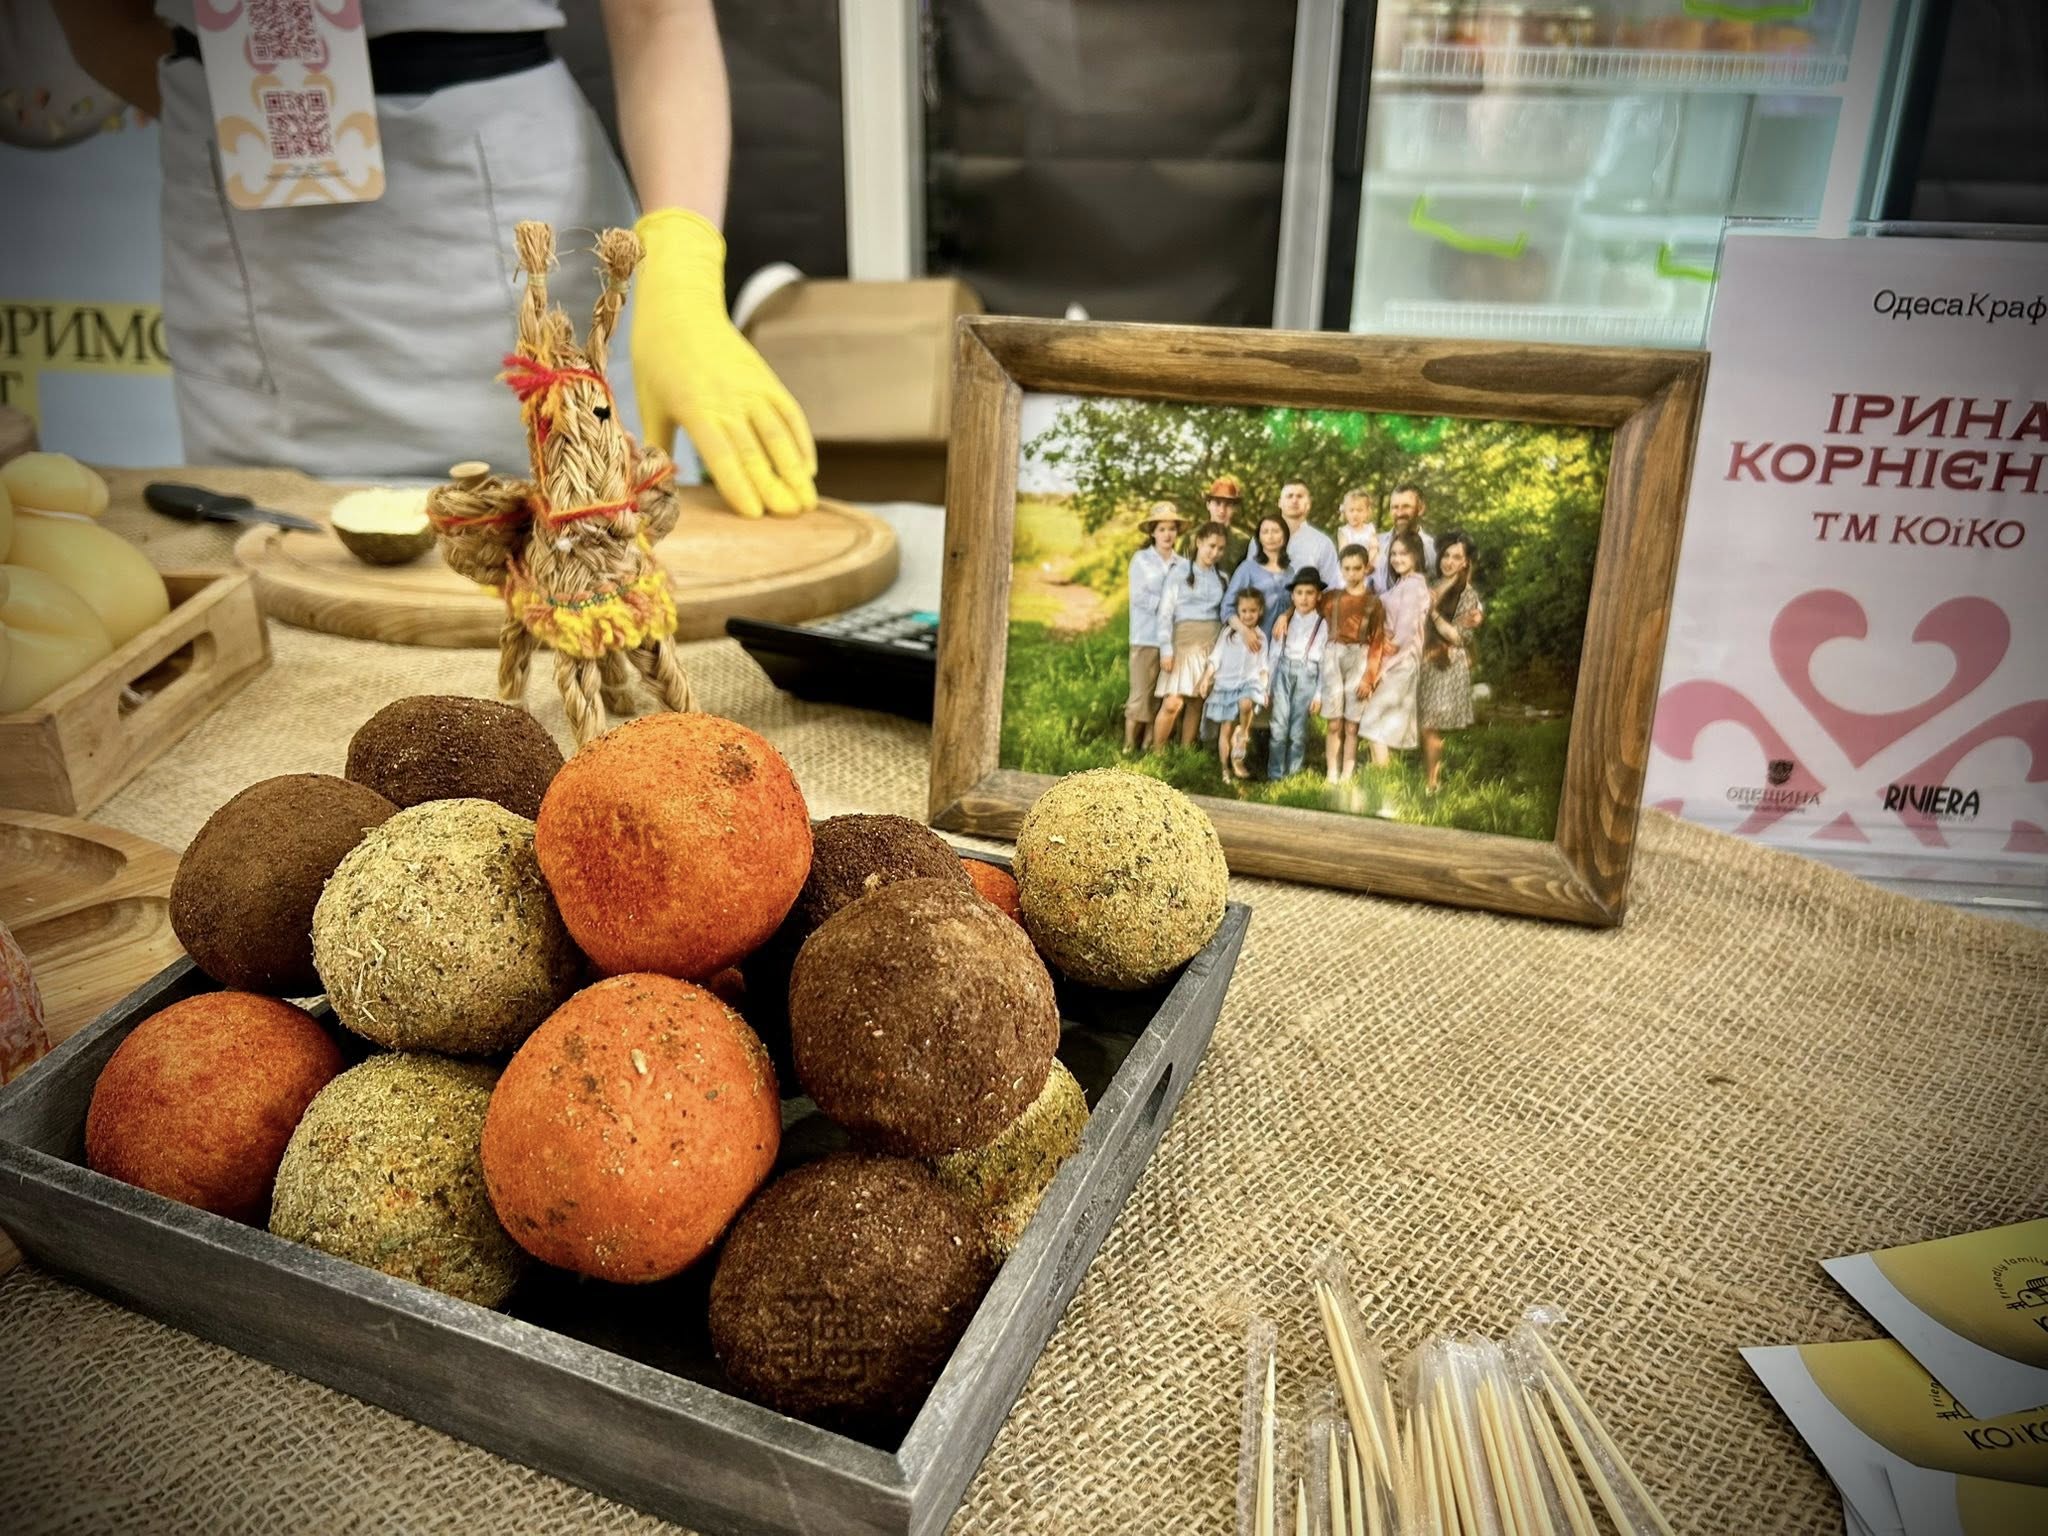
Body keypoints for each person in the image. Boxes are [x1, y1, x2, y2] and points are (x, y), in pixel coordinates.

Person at [63, 0, 818, 520]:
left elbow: (660, 15)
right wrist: (243, 107)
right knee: (267, 549)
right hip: (247, 224)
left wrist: (682, 270)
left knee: (585, 545)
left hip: (506, 177)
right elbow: (98, 23)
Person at [1296, 542, 1383, 783]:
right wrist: (1285, 615)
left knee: (1352, 725)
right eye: (1347, 568)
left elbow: (1378, 642)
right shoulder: (1331, 598)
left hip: (1359, 657)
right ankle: (1332, 773)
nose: (1352, 574)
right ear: (1340, 569)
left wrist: (1369, 678)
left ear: (1366, 568)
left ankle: (1347, 775)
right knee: (1334, 723)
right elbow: (1303, 603)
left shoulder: (1373, 603)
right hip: (1333, 656)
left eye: (1357, 568)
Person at [1360, 531, 1432, 781]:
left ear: (1416, 556)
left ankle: (1381, 780)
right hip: (1392, 660)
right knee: (1377, 723)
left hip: (1400, 662)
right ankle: (1379, 779)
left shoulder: (1414, 586)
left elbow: (1404, 633)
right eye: (1393, 554)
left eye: (1404, 553)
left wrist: (1380, 669)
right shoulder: (1403, 583)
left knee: (1374, 723)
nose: (1397, 558)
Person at [1152, 521, 1229, 750]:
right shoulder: (1179, 572)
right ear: (1199, 542)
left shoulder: (1222, 577)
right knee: (1173, 702)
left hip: (1210, 642)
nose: (1215, 553)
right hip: (1183, 641)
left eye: (1220, 548)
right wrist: (1166, 649)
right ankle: (1157, 754)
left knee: (1197, 700)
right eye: (1211, 546)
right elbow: (1165, 613)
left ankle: (1186, 753)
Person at [1418, 531, 1484, 795]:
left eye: (1456, 557)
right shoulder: (1432, 584)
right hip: (1423, 660)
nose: (1449, 561)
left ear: (1465, 562)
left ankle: (1432, 784)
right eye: (1446, 555)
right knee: (1424, 724)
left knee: (1429, 725)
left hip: (1445, 664)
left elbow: (1458, 636)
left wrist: (1433, 612)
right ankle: (1426, 778)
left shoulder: (1467, 594)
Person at [1124, 501, 1188, 752]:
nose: (1167, 534)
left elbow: (1186, 598)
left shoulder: (1182, 564)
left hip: (1171, 640)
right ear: (1153, 532)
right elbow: (1139, 597)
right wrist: (1168, 607)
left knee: (1159, 694)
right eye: (1162, 529)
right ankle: (1128, 745)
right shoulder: (1141, 560)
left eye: (1172, 529)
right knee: (1140, 693)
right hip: (1145, 636)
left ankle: (1149, 745)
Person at [1265, 570, 1328, 782]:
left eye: (1310, 593)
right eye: (1299, 593)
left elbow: (1324, 663)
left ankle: (1293, 774)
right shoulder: (1285, 620)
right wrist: (1267, 687)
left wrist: (1318, 694)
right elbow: (1274, 654)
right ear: (1292, 596)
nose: (1304, 598)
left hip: (1307, 673)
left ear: (1318, 596)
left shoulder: (1322, 624)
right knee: (1278, 725)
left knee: (1297, 729)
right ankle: (1275, 774)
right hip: (1283, 670)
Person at [1202, 590, 1270, 782]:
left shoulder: (1261, 637)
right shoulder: (1228, 634)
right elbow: (1215, 658)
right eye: (1244, 611)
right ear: (1238, 612)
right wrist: (1206, 678)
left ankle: (1244, 735)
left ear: (1260, 611)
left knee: (1245, 703)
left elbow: (1263, 668)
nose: (1248, 615)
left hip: (1248, 683)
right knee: (1226, 729)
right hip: (1226, 685)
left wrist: (1264, 688)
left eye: (1252, 611)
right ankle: (1225, 768)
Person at [1222, 513, 1293, 647]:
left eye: (1275, 531)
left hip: (1282, 645)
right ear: (1259, 538)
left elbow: (1294, 604)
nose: (1270, 536)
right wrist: (1244, 631)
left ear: (1285, 537)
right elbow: (1227, 607)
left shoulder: (1290, 571)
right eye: (1265, 532)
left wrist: (1285, 616)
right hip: (1254, 644)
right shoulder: (1247, 569)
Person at [1372, 484, 1438, 593]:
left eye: (1406, 506)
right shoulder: (1375, 544)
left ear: (1421, 509)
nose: (1399, 513)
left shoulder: (1433, 549)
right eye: (1395, 507)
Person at [1278, 479, 1342, 592]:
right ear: (1280, 503)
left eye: (1299, 496)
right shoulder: (1260, 540)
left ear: (1308, 504)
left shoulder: (1323, 543)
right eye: (1289, 496)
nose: (1294, 500)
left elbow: (1331, 588)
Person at [1190, 474, 1251, 570]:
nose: (1222, 510)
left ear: (1234, 508)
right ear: (1208, 505)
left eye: (1228, 504)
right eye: (1217, 503)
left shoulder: (1243, 542)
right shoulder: (1193, 537)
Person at [1335, 487, 1380, 575]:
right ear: (1345, 512)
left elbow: (1374, 547)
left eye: (1359, 510)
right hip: (1350, 567)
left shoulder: (1370, 529)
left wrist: (1368, 563)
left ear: (1367, 512)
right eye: (1351, 510)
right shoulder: (1344, 531)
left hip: (1369, 565)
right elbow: (1344, 552)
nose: (1355, 514)